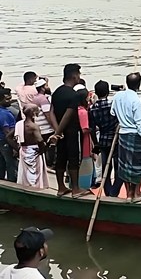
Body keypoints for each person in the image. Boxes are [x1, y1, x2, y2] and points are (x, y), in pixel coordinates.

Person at [49, 63, 90, 198]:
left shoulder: (57, 92)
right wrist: (58, 132)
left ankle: (61, 187)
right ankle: (76, 189)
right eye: (78, 74)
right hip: (70, 130)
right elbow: (68, 114)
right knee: (73, 158)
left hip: (59, 132)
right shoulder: (74, 95)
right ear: (74, 76)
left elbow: (51, 112)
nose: (79, 77)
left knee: (61, 157)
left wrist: (56, 130)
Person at [111, 72, 141, 202]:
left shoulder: (117, 96)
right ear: (139, 84)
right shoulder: (136, 100)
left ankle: (129, 194)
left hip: (123, 134)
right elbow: (140, 123)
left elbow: (112, 112)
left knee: (125, 166)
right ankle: (134, 193)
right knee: (137, 166)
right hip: (134, 134)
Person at [88, 81, 118, 192]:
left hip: (103, 139)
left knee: (106, 167)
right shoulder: (112, 105)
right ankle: (114, 191)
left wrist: (95, 143)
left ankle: (107, 190)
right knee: (117, 166)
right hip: (115, 138)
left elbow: (92, 128)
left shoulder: (92, 108)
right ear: (108, 92)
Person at [14, 105, 47, 189]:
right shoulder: (34, 126)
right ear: (32, 113)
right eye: (37, 110)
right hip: (34, 150)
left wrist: (17, 148)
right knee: (35, 174)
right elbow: (40, 140)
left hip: (24, 150)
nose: (39, 111)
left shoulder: (19, 124)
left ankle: (25, 188)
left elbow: (9, 137)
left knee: (25, 173)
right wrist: (42, 150)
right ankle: (35, 190)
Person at [0, 89, 16, 182]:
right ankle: (12, 182)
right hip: (6, 142)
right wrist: (15, 147)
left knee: (1, 164)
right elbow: (7, 133)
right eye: (7, 99)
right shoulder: (4, 114)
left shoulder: (4, 111)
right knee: (11, 164)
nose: (10, 101)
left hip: (2, 140)